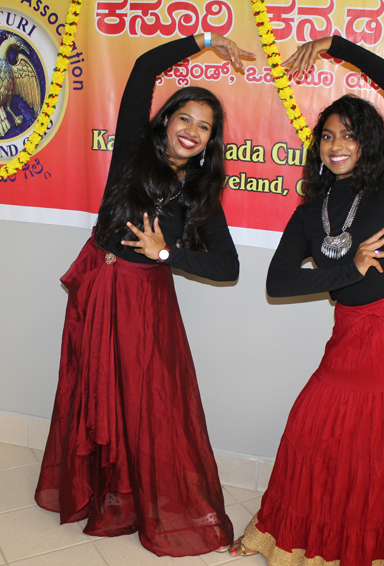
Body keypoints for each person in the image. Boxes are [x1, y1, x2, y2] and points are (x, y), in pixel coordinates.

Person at [231, 35, 384, 566]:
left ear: (369, 143)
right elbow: (279, 282)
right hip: (355, 334)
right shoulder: (309, 211)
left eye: (350, 135)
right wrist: (348, 267)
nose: (337, 144)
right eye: (328, 136)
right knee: (316, 428)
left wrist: (336, 45)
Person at [35, 33, 253, 557]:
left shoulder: (202, 192)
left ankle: (134, 501)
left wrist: (164, 253)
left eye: (204, 128)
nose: (192, 132)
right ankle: (100, 494)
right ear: (166, 120)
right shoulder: (133, 149)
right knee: (93, 391)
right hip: (98, 287)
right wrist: (202, 41)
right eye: (185, 119)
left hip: (144, 300)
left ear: (210, 142)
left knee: (145, 402)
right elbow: (142, 69)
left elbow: (228, 268)